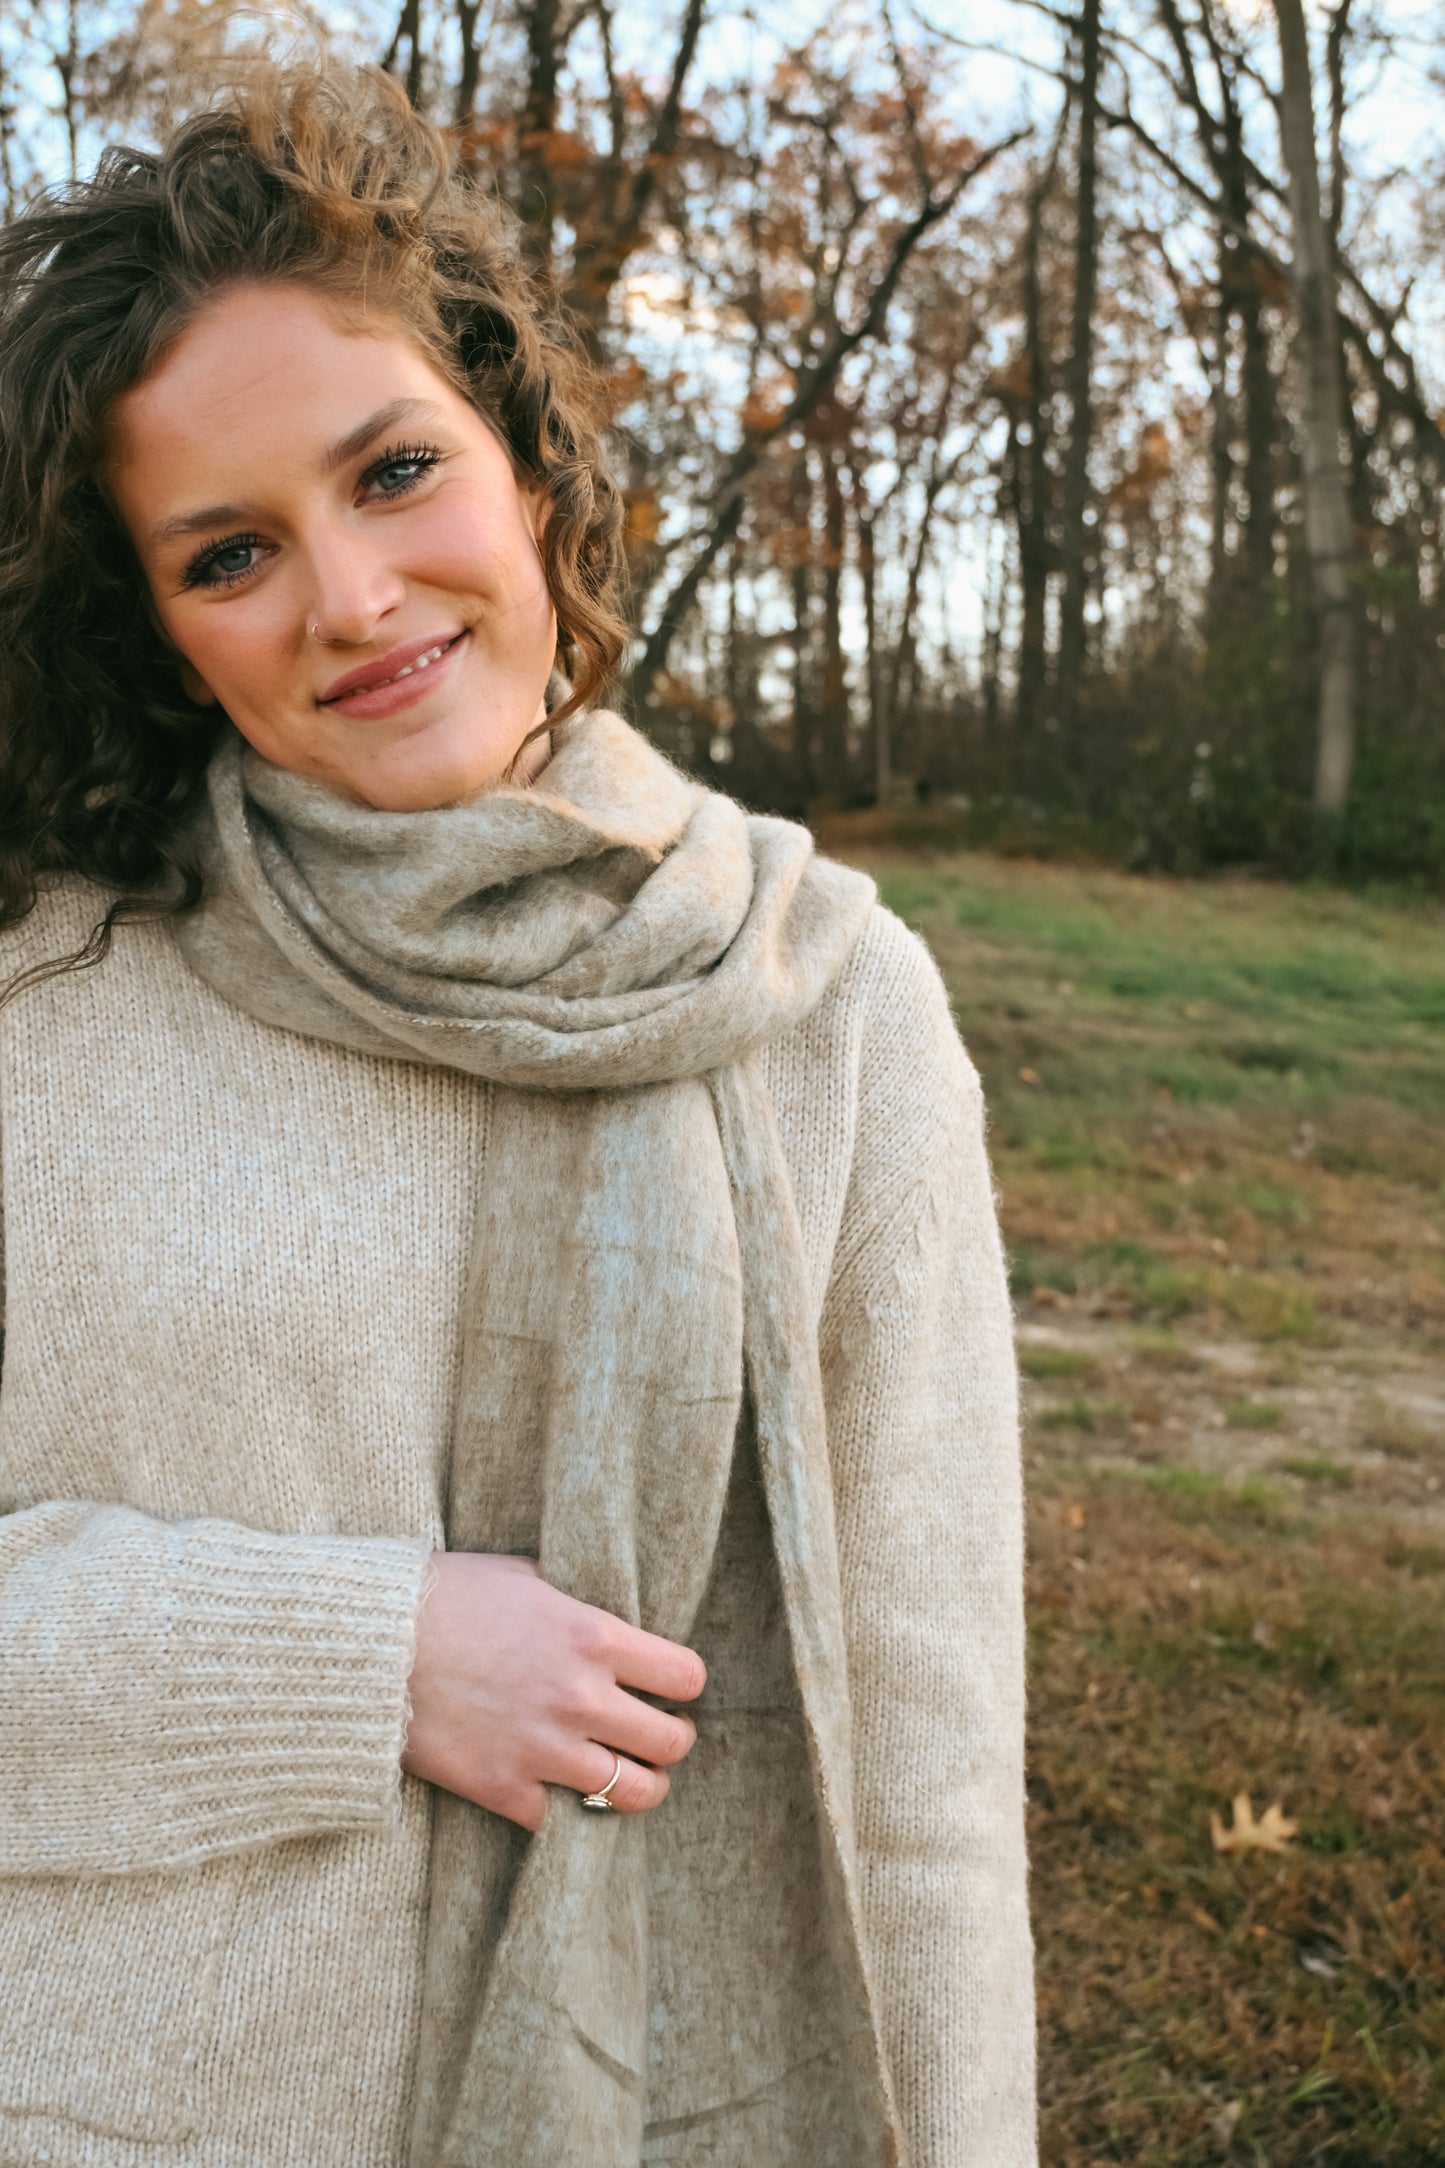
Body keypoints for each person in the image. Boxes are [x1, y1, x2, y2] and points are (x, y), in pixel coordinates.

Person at [0, 61, 1035, 2168]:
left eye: (393, 469)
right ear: (167, 634)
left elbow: (924, 1763)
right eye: (229, 553)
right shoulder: (48, 998)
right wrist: (355, 1655)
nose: (353, 600)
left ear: (527, 459)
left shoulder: (833, 1013)